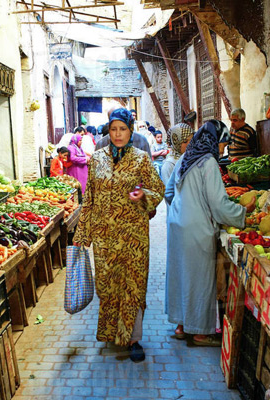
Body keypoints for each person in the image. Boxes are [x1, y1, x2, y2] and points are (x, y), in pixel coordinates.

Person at [73, 108, 165, 362]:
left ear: (130, 130)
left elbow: (158, 190)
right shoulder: (98, 158)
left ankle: (134, 339)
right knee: (108, 285)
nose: (117, 134)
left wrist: (143, 196)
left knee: (133, 284)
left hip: (133, 236)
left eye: (122, 129)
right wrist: (83, 233)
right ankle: (113, 333)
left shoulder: (141, 159)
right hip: (104, 238)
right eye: (113, 129)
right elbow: (89, 197)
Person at [165, 120, 253, 346]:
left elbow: (168, 192)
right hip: (197, 229)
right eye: (223, 144)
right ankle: (200, 333)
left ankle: (181, 326)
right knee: (200, 280)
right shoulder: (208, 162)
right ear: (214, 141)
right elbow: (219, 205)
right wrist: (243, 213)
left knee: (182, 276)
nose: (223, 149)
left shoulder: (186, 157)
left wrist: (183, 208)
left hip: (177, 226)